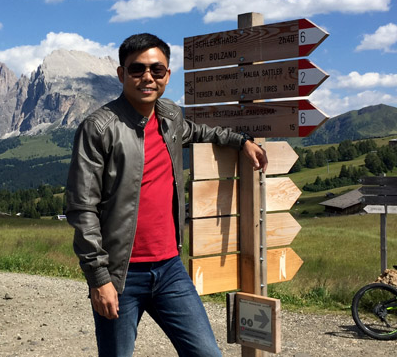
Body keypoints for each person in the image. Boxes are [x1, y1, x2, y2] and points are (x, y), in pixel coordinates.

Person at [66, 33, 268, 356]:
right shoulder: (99, 128)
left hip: (170, 269)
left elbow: (201, 131)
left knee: (207, 354)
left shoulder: (170, 117)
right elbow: (81, 208)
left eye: (157, 70)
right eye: (137, 69)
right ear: (121, 74)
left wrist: (241, 140)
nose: (148, 77)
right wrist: (98, 277)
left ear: (167, 76)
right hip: (121, 274)